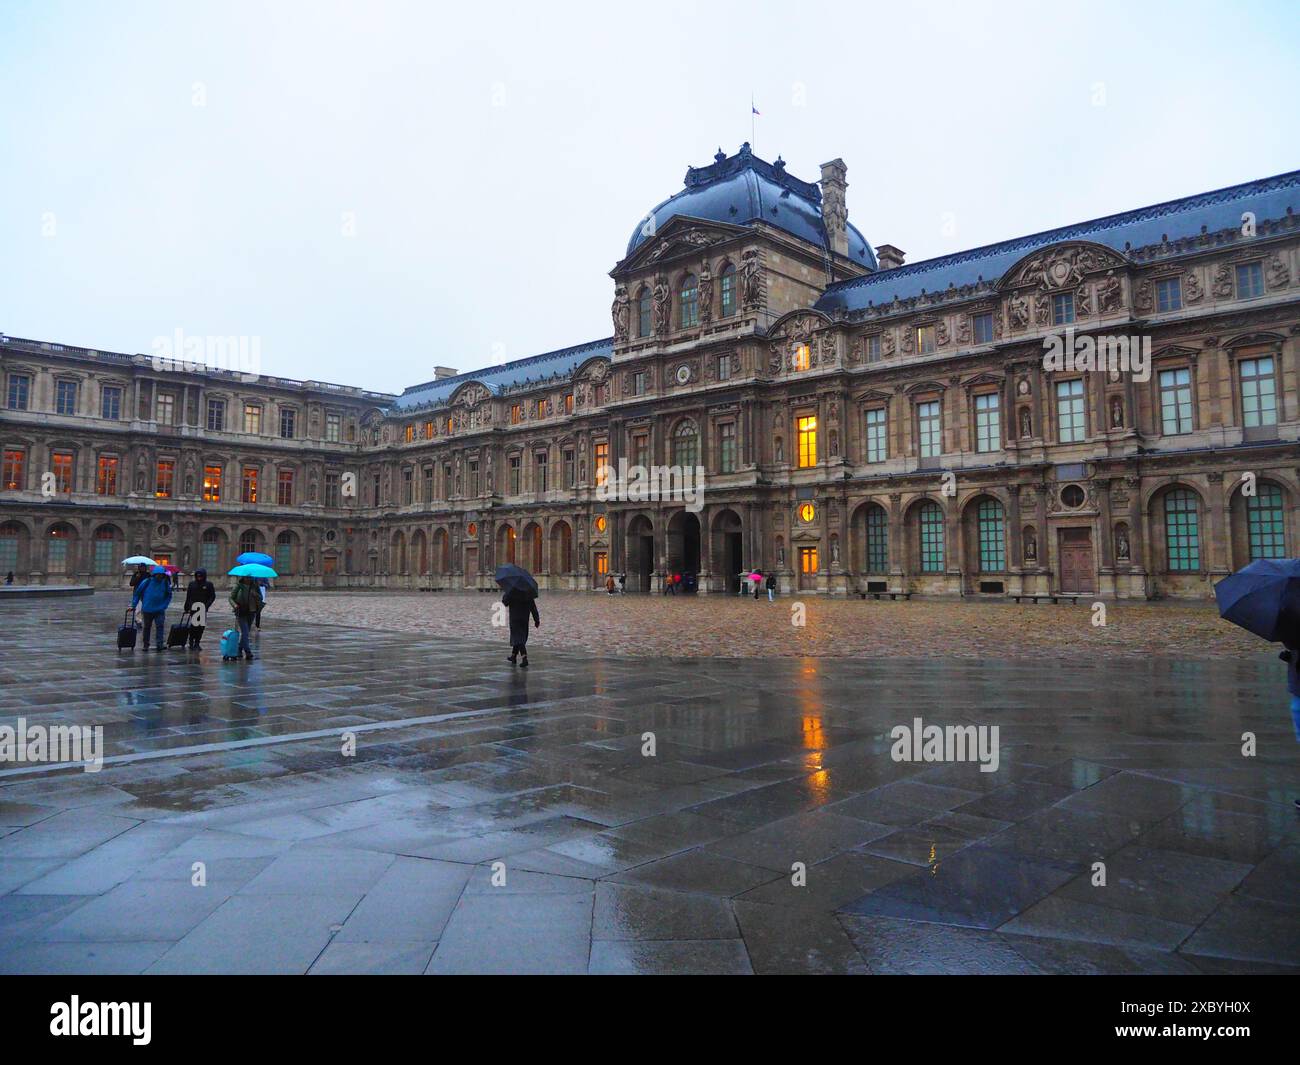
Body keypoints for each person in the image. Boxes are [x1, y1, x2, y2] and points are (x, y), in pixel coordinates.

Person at [131, 565, 173, 652]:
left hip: (160, 609)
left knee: (160, 626)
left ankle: (159, 644)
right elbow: (137, 593)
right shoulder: (147, 582)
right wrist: (133, 605)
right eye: (158, 575)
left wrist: (165, 605)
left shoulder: (165, 583)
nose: (160, 577)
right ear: (154, 574)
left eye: (161, 575)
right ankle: (146, 644)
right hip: (147, 609)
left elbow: (169, 595)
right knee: (147, 627)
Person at [504, 586, 540, 668]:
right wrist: (536, 619)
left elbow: (505, 602)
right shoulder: (528, 591)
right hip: (524, 619)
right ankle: (513, 656)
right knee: (518, 636)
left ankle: (524, 658)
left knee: (518, 638)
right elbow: (533, 607)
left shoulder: (512, 591)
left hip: (515, 618)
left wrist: (507, 592)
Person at [183, 568, 217, 650]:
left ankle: (197, 642)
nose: (199, 577)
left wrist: (207, 605)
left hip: (202, 608)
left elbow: (212, 596)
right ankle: (191, 641)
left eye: (201, 576)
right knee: (194, 625)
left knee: (201, 626)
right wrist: (186, 607)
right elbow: (188, 596)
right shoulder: (192, 584)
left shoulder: (208, 585)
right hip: (193, 608)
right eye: (197, 576)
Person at [229, 575, 259, 660]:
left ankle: (239, 649)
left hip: (252, 611)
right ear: (243, 578)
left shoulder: (255, 586)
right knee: (245, 632)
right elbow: (231, 598)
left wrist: (256, 595)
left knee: (245, 633)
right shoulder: (239, 586)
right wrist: (234, 605)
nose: (249, 579)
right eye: (247, 577)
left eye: (250, 577)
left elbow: (260, 598)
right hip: (241, 611)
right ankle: (248, 651)